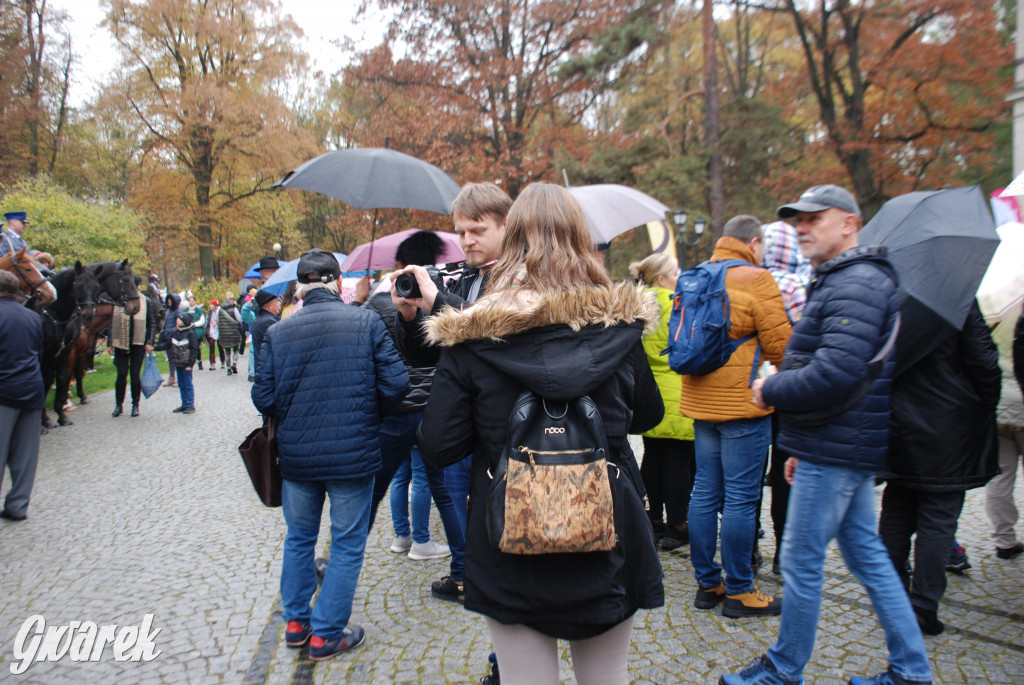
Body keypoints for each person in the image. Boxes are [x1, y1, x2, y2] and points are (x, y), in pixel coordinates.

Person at [418, 182, 665, 684]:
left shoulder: (470, 336)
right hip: (606, 523)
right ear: (581, 240)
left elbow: (439, 445)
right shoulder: (619, 325)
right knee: (607, 677)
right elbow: (648, 416)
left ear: (511, 242)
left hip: (508, 530)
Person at [723, 184, 932, 685]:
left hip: (837, 447)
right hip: (837, 443)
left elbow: (835, 373)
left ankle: (783, 668)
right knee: (868, 557)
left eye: (816, 217)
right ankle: (910, 670)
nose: (802, 226)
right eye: (797, 218)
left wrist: (772, 389)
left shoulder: (855, 282)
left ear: (849, 223)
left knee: (800, 560)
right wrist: (799, 445)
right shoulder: (844, 278)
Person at [252, 249, 409, 661]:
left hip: (299, 460)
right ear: (338, 283)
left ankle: (296, 623)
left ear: (299, 286)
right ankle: (326, 633)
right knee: (346, 543)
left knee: (299, 538)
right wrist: (366, 410)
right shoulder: (366, 321)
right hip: (352, 456)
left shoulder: (278, 333)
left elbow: (263, 397)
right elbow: (396, 385)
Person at [391, 182, 512, 601]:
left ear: (506, 225)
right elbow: (428, 356)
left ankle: (500, 627)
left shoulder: (518, 275)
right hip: (466, 421)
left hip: (504, 429)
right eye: (460, 232)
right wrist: (410, 317)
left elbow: (495, 341)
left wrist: (439, 301)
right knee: (468, 515)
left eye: (477, 229)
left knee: (500, 529)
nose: (466, 240)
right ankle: (468, 575)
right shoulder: (469, 276)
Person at [681, 215, 791, 619]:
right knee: (742, 497)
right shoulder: (756, 278)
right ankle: (741, 590)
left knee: (705, 490)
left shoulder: (695, 274)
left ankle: (708, 583)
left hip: (700, 400)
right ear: (755, 242)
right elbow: (781, 348)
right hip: (743, 405)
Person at [879, 299, 999, 635]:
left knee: (896, 511)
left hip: (898, 423)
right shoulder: (957, 297)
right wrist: (981, 409)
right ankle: (922, 607)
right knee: (938, 519)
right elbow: (985, 363)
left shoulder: (890, 297)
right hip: (951, 426)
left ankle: (892, 600)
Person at [363, 230, 463, 567]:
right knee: (430, 480)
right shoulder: (439, 300)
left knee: (395, 478)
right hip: (425, 406)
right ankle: (432, 546)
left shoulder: (375, 305)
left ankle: (400, 535)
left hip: (394, 409)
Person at [629, 253, 696, 550]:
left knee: (653, 459)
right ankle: (677, 525)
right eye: (675, 272)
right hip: (677, 389)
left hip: (648, 391)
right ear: (661, 278)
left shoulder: (636, 302)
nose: (679, 278)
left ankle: (653, 520)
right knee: (678, 462)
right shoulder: (676, 303)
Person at [761, 221, 810, 574]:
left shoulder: (748, 280)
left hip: (748, 389)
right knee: (783, 472)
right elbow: (806, 341)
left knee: (744, 476)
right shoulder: (795, 285)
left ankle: (747, 550)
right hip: (788, 390)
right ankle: (783, 552)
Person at [0, 271, 44, 521]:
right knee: (26, 454)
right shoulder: (32, 317)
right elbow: (38, 354)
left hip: (4, 390)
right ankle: (17, 505)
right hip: (31, 388)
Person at [985, 309, 1024, 560]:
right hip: (1021, 401)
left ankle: (1004, 540)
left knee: (1000, 474)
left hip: (998, 403)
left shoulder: (997, 310)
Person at [109, 282, 157, 418]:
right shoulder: (119, 301)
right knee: (121, 374)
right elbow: (112, 321)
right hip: (121, 342)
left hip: (138, 343)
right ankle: (119, 405)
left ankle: (135, 404)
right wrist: (110, 342)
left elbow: (151, 323)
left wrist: (150, 342)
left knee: (135, 376)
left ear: (139, 286)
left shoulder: (145, 301)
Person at [153, 311, 200, 414]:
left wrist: (190, 364)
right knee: (181, 385)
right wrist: (154, 348)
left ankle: (190, 404)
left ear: (185, 321)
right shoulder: (175, 332)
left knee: (187, 384)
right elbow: (167, 344)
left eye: (180, 319)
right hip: (177, 363)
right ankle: (184, 404)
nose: (177, 320)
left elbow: (194, 349)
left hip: (186, 364)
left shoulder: (191, 333)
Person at [250, 289, 280, 366]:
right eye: (277, 301)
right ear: (269, 305)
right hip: (266, 367)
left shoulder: (261, 318)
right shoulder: (268, 322)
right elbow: (276, 346)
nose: (279, 304)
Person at [217, 296, 243, 375]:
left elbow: (218, 321)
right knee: (236, 349)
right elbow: (239, 319)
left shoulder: (220, 310)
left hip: (224, 334)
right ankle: (234, 363)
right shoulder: (234, 309)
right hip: (234, 333)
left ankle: (228, 368)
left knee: (227, 352)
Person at [161, 293, 182, 387]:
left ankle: (178, 379)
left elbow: (179, 324)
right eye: (168, 299)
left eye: (170, 300)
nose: (169, 301)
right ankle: (171, 378)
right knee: (170, 359)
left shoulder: (178, 311)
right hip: (167, 337)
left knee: (176, 359)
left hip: (174, 338)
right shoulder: (168, 311)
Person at [183, 293, 207, 370]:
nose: (191, 302)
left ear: (195, 302)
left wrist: (194, 324)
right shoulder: (185, 311)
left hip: (197, 330)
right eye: (190, 301)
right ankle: (190, 363)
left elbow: (202, 321)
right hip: (187, 330)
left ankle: (199, 361)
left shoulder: (200, 311)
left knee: (196, 347)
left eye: (192, 301)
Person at [206, 299, 225, 370]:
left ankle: (223, 362)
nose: (210, 306)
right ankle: (212, 363)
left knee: (220, 347)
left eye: (212, 305)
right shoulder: (210, 313)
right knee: (211, 348)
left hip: (219, 331)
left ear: (216, 306)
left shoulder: (220, 312)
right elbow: (207, 321)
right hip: (211, 332)